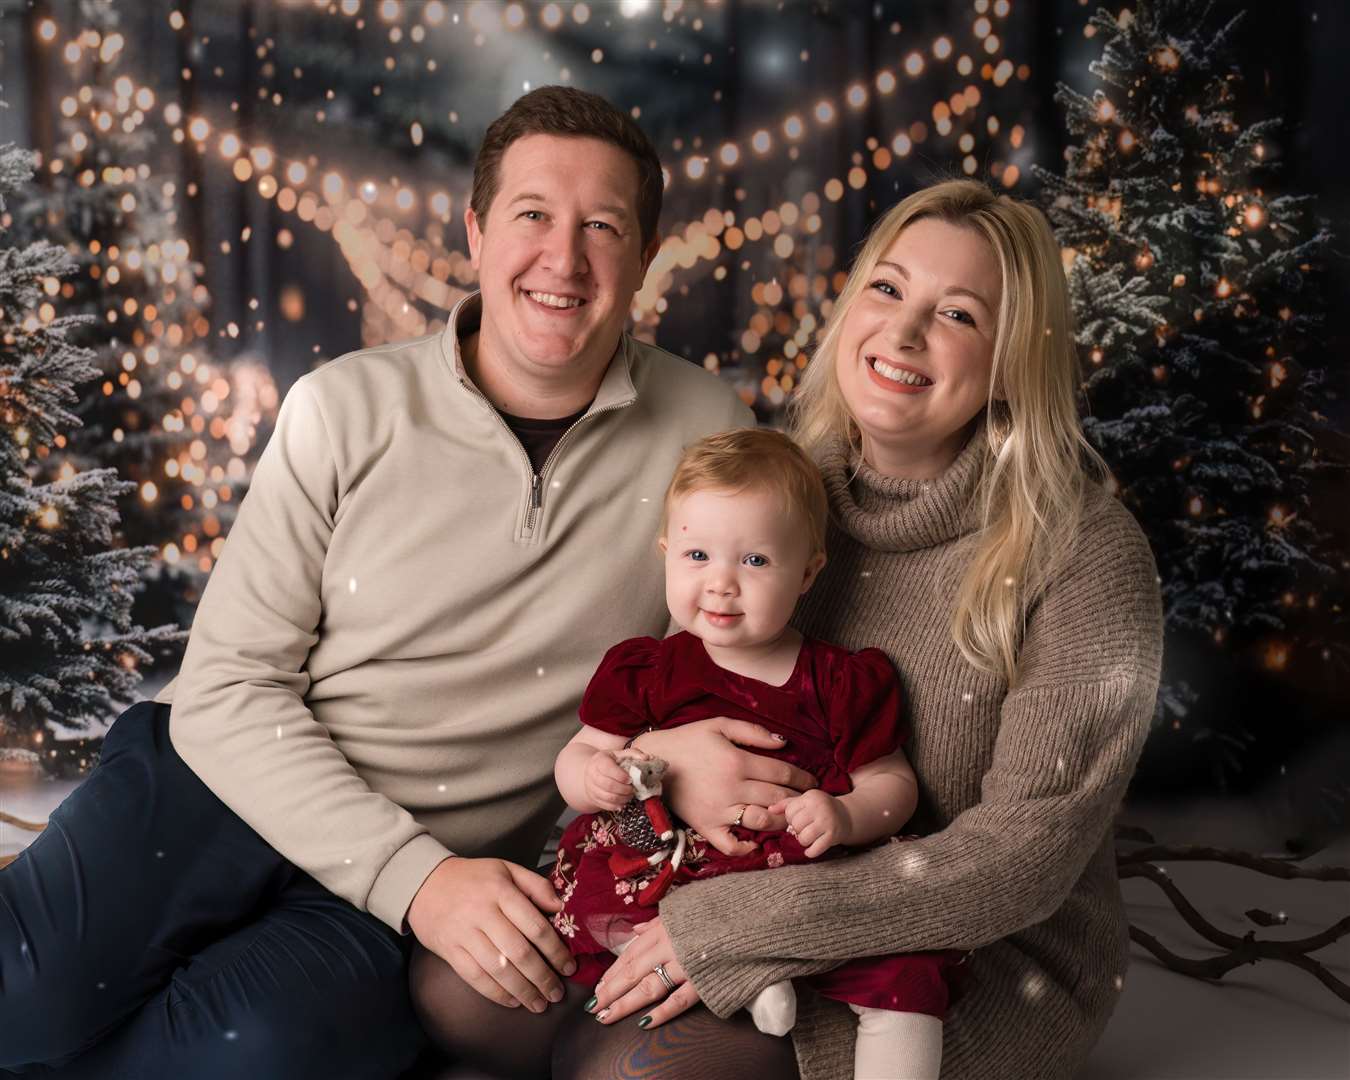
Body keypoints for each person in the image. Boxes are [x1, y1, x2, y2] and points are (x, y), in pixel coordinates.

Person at [0, 86, 806, 1079]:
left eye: (603, 226)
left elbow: (744, 634)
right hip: (219, 792)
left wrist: (664, 755)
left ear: (644, 254)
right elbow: (227, 687)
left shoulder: (708, 434)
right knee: (22, 993)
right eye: (532, 217)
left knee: (237, 1055)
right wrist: (417, 879)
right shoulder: (344, 409)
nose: (564, 259)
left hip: (404, 893)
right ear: (474, 231)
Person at [580, 179, 1165, 1080]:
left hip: (972, 953)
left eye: (958, 314)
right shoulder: (785, 492)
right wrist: (663, 765)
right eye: (887, 291)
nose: (903, 333)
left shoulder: (1082, 552)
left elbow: (1021, 861)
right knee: (477, 1007)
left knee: (628, 1068)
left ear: (1013, 358)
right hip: (741, 880)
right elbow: (680, 685)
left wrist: (735, 928)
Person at [548, 428, 962, 1079]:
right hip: (666, 853)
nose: (720, 585)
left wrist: (846, 815)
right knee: (614, 850)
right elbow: (579, 758)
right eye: (696, 555)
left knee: (904, 974)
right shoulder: (646, 669)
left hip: (790, 876)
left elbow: (891, 784)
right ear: (664, 554)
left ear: (808, 573)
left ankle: (775, 973)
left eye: (755, 562)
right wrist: (594, 776)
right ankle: (744, 980)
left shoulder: (839, 681)